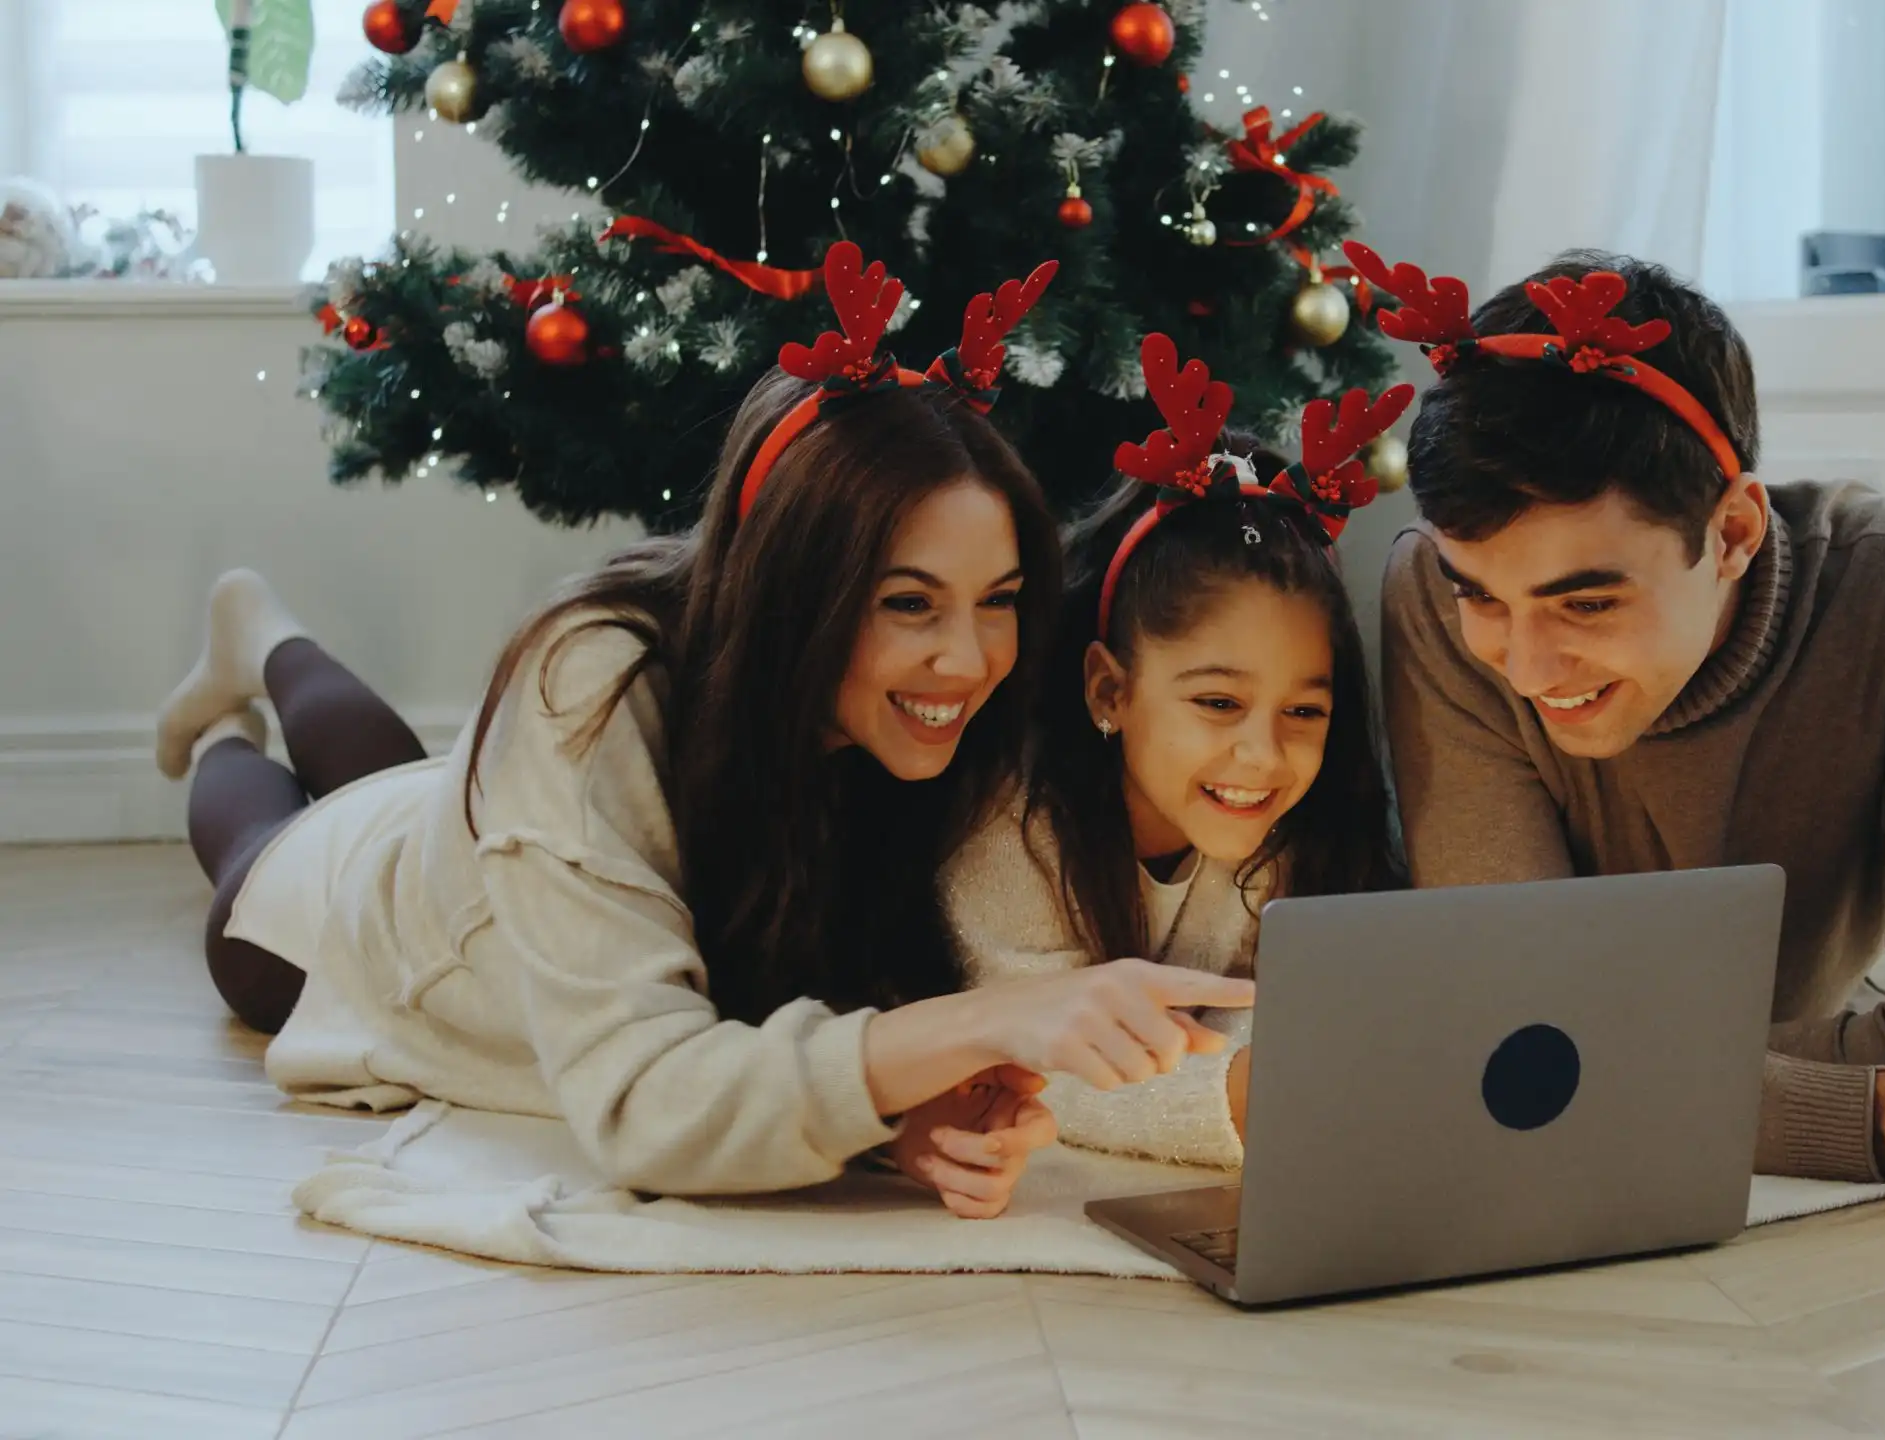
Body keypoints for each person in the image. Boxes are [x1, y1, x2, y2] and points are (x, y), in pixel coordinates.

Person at [155, 245, 1250, 1219]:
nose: (968, 662)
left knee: (399, 773)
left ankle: (262, 629)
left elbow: (800, 1010)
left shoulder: (911, 728)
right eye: (907, 602)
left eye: (1000, 598)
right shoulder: (586, 680)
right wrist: (988, 1022)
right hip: (369, 929)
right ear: (796, 585)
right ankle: (235, 693)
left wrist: (894, 1116)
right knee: (261, 842)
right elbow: (645, 1104)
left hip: (491, 823)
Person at [1353, 242, 1885, 1210]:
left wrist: (1592, 1060)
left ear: (1732, 533)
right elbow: (1515, 1044)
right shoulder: (1431, 594)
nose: (1522, 665)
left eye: (1585, 606)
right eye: (1483, 597)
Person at [936, 335, 1404, 1169]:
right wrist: (1235, 1095)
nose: (1262, 756)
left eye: (1303, 711)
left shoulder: (1302, 831)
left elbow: (1288, 1017)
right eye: (1218, 703)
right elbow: (1025, 1054)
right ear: (1109, 692)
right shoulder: (1015, 826)